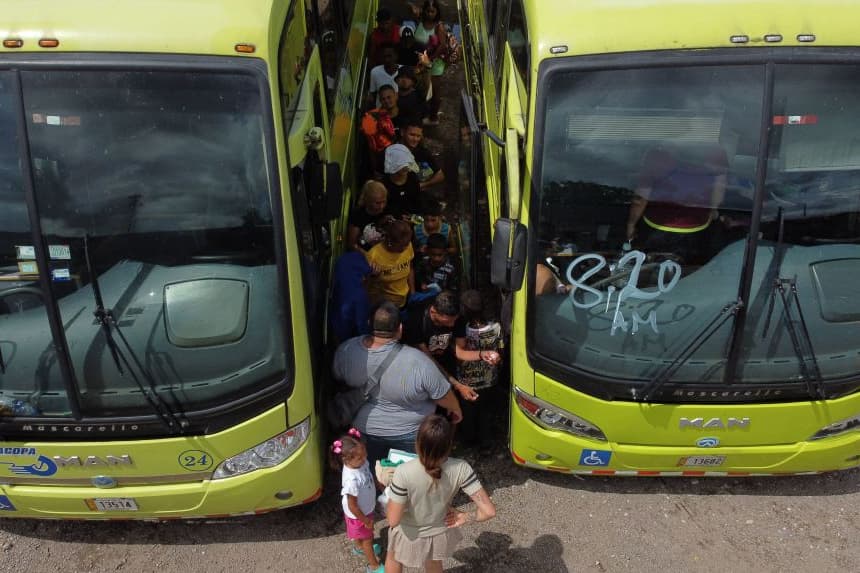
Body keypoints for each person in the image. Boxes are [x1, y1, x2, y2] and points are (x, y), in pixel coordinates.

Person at [332, 303, 464, 469]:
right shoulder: (419, 361)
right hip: (410, 433)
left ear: (369, 324)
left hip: (364, 430)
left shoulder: (346, 350)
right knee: (409, 478)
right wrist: (456, 409)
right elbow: (444, 397)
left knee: (374, 473)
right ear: (400, 329)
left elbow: (338, 379)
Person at [384, 414, 496, 573]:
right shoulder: (462, 468)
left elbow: (393, 520)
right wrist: (466, 516)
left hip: (408, 533)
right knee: (434, 564)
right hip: (440, 531)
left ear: (418, 443)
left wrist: (388, 490)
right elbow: (489, 512)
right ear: (449, 445)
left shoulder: (403, 472)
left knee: (393, 558)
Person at [626, 145, 728, 264]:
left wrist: (631, 224)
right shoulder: (715, 152)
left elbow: (642, 196)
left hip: (657, 227)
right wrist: (713, 209)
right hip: (695, 228)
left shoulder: (657, 154)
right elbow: (720, 187)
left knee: (652, 266)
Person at [404, 291, 499, 404]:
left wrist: (482, 354)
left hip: (446, 363)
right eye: (448, 321)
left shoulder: (457, 318)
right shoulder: (416, 321)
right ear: (433, 312)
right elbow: (429, 361)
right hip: (423, 367)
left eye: (454, 320)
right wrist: (458, 385)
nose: (452, 325)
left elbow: (460, 352)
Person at [331, 428, 384, 573]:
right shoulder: (351, 480)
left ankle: (359, 547)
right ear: (346, 460)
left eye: (364, 453)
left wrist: (378, 484)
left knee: (364, 535)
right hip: (358, 515)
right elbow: (352, 505)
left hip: (366, 509)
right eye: (360, 457)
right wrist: (365, 520)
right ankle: (374, 566)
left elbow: (369, 473)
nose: (364, 457)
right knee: (368, 538)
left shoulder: (362, 462)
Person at [454, 290, 502, 447]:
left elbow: (459, 353)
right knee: (485, 412)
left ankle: (468, 440)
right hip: (489, 379)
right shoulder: (496, 326)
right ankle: (486, 443)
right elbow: (500, 348)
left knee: (468, 412)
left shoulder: (463, 329)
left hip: (467, 381)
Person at [409, 0, 448, 125]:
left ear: (437, 12)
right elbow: (410, 7)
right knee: (421, 87)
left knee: (436, 91)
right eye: (428, 11)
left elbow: (442, 46)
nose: (430, 14)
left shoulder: (439, 27)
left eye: (433, 11)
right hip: (419, 61)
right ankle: (422, 112)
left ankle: (433, 117)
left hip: (434, 62)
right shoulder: (420, 21)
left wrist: (430, 60)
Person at [365, 219, 415, 308]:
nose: (406, 248)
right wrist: (373, 276)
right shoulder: (374, 256)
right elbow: (365, 286)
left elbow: (410, 268)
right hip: (383, 304)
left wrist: (412, 292)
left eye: (407, 244)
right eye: (401, 245)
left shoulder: (408, 245)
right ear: (390, 241)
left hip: (404, 299)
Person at [329, 251, 373, 344]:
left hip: (341, 338)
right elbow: (363, 328)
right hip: (356, 344)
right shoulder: (360, 297)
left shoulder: (341, 264)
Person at [399, 120, 444, 192]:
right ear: (402, 132)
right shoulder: (391, 151)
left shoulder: (422, 153)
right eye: (412, 135)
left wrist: (423, 184)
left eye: (418, 136)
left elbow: (440, 175)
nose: (415, 139)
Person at [348, 180, 391, 252]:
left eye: (384, 201)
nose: (382, 206)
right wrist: (367, 256)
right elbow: (352, 244)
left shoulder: (387, 210)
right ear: (367, 200)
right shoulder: (357, 215)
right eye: (377, 203)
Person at [382, 144, 423, 218]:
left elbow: (417, 200)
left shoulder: (412, 178)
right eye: (401, 163)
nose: (405, 166)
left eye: (407, 162)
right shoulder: (384, 184)